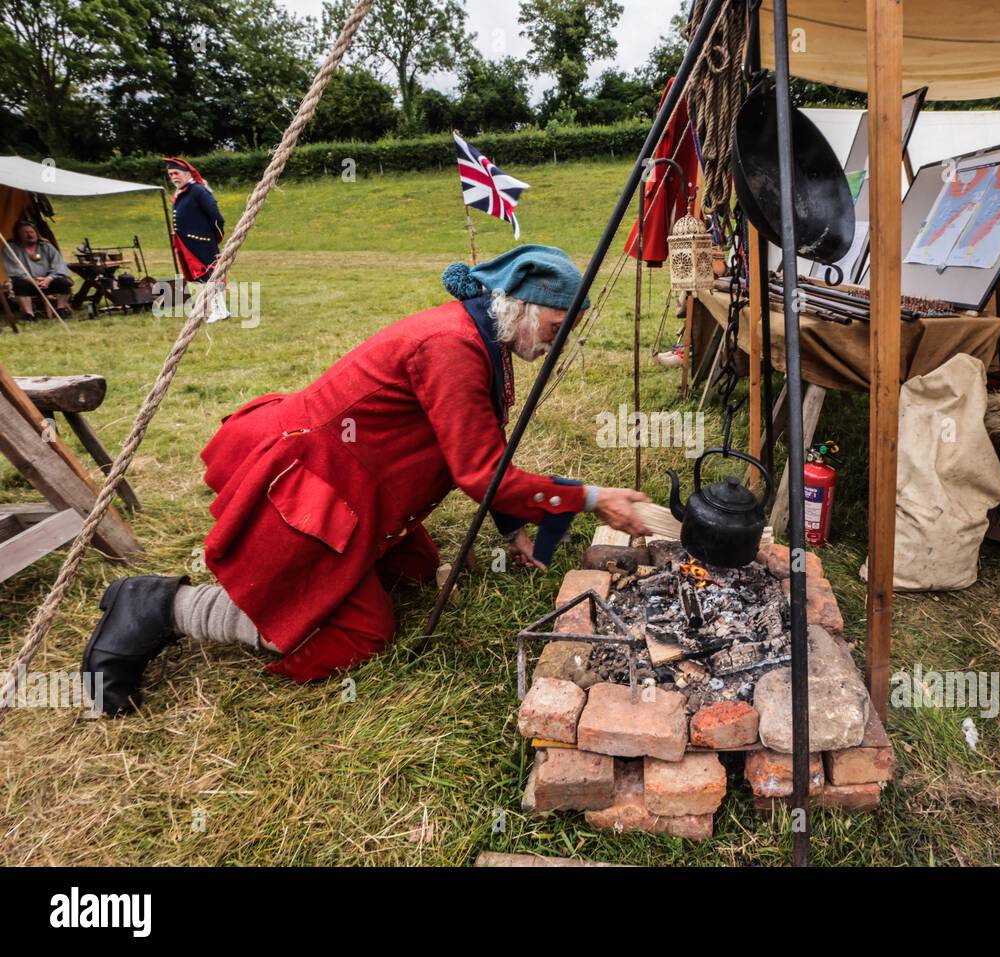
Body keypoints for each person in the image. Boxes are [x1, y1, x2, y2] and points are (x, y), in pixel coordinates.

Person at [82, 244, 652, 715]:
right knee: (358, 634)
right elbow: (481, 473)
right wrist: (593, 500)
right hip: (316, 489)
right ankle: (161, 605)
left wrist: (510, 529)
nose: (558, 340)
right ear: (523, 308)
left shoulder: (484, 338)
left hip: (366, 489)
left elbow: (483, 447)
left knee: (415, 572)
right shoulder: (451, 346)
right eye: (555, 325)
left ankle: (336, 581)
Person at [165, 157, 229, 322]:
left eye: (176, 173)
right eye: (170, 174)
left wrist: (214, 236)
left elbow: (216, 217)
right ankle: (217, 309)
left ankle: (220, 311)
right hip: (188, 243)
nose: (173, 177)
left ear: (187, 173)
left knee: (210, 275)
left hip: (202, 241)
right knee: (202, 278)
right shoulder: (181, 192)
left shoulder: (198, 190)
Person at [2, 220, 74, 320]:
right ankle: (29, 314)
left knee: (63, 283)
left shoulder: (47, 247)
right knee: (19, 284)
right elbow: (13, 269)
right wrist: (32, 280)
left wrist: (48, 279)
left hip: (48, 281)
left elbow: (59, 265)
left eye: (31, 232)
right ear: (18, 235)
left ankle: (61, 309)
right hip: (27, 281)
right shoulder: (11, 249)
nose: (30, 235)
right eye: (25, 233)